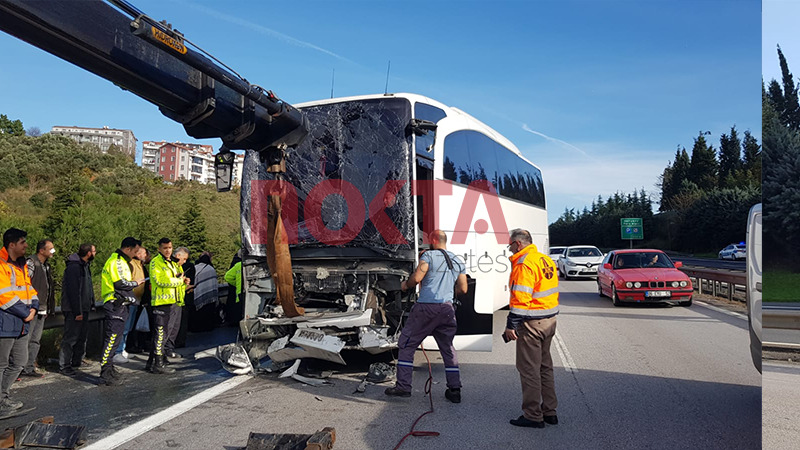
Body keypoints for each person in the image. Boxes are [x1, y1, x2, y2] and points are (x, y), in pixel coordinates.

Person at [385, 230, 468, 403]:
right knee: (447, 348)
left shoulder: (429, 256)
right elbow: (463, 289)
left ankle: (403, 387)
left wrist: (404, 286)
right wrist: (447, 293)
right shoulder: (458, 261)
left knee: (407, 344)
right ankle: (454, 389)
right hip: (447, 309)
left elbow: (417, 278)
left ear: (435, 240)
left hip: (426, 309)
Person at [503, 229, 559, 428]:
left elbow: (521, 298)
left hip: (532, 323)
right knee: (545, 367)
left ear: (518, 244)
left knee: (529, 370)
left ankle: (533, 415)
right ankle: (550, 411)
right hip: (549, 320)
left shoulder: (524, 263)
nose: (509, 249)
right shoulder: (544, 259)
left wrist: (511, 326)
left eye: (509, 245)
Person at [0, 228, 39, 415]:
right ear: (12, 245)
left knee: (19, 362)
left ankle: (3, 396)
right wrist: (26, 312)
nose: (26, 245)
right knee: (1, 364)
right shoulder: (1, 264)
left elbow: (30, 289)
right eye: (23, 242)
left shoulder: (22, 264)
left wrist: (35, 306)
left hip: (22, 321)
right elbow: (4, 296)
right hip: (6, 321)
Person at [99, 237, 144, 385]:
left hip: (120, 304)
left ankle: (109, 368)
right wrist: (135, 283)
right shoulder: (117, 261)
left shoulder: (122, 261)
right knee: (111, 339)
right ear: (128, 249)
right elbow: (119, 283)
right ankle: (105, 373)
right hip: (114, 303)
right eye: (135, 251)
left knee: (115, 339)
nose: (136, 254)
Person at [147, 238, 186, 374]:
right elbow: (160, 281)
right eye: (165, 248)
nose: (168, 250)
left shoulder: (172, 263)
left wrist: (183, 280)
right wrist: (178, 281)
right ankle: (157, 364)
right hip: (161, 302)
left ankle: (154, 361)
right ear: (159, 249)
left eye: (170, 248)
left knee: (165, 333)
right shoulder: (156, 262)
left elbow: (178, 277)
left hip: (173, 302)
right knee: (160, 334)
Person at [59, 243, 96, 377]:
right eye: (94, 251)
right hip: (75, 309)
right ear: (88, 253)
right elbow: (73, 291)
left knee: (81, 337)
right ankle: (64, 365)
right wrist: (77, 312)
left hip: (84, 307)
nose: (95, 253)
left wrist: (91, 303)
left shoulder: (84, 266)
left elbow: (87, 287)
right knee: (70, 338)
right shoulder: (74, 268)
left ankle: (77, 360)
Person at [21, 239, 55, 378]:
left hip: (42, 307)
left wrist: (47, 307)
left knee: (35, 340)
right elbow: (25, 284)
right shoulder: (31, 263)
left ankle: (29, 368)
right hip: (31, 307)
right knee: (26, 339)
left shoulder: (45, 266)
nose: (53, 251)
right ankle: (19, 367)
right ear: (42, 250)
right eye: (50, 249)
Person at [114, 246, 148, 363]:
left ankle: (123, 349)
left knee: (129, 327)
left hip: (137, 300)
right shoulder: (131, 264)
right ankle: (118, 351)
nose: (145, 256)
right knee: (124, 327)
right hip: (130, 300)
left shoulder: (139, 265)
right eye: (143, 253)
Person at [189, 252, 219, 332]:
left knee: (198, 314)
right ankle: (208, 327)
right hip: (209, 295)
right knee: (208, 313)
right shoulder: (211, 269)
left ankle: (197, 328)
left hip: (197, 293)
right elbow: (214, 283)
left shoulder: (195, 267)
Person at [169, 247, 190, 352]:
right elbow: (167, 281)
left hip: (179, 300)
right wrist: (180, 280)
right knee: (169, 328)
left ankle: (169, 349)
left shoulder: (179, 267)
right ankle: (164, 351)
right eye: (184, 259)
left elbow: (179, 283)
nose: (185, 261)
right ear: (178, 256)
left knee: (175, 329)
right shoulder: (170, 266)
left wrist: (185, 283)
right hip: (170, 300)